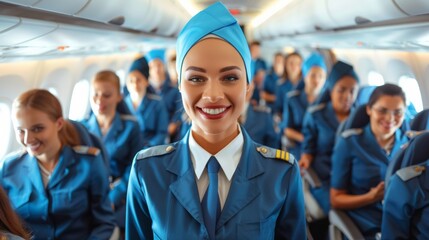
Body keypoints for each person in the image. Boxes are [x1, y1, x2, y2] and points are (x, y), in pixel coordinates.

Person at [126, 2, 306, 239]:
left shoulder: (282, 175)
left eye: (230, 77)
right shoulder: (147, 173)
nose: (212, 95)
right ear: (179, 85)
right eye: (196, 79)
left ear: (248, 86)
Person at [0, 89, 115, 239]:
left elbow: (104, 223)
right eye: (21, 131)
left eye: (37, 129)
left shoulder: (89, 163)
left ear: (59, 123)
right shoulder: (9, 168)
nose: (28, 139)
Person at [330, 84, 409, 239]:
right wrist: (370, 197)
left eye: (398, 112)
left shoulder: (409, 145)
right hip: (367, 224)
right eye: (382, 110)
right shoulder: (349, 143)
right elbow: (336, 199)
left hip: (404, 223)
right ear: (369, 109)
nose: (390, 119)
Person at [299, 61, 359, 239]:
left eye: (352, 90)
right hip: (325, 178)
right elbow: (308, 149)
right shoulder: (315, 114)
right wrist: (305, 160)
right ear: (331, 89)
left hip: (354, 179)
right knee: (344, 211)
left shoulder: (360, 118)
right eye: (342, 90)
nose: (347, 96)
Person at [81, 70, 142, 229]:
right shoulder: (81, 128)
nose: (99, 100)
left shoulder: (131, 127)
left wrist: (115, 197)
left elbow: (134, 168)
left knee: (111, 226)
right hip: (88, 194)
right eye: (95, 94)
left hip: (120, 192)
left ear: (119, 97)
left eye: (106, 95)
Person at [280, 53, 326, 159]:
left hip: (322, 150)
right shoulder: (292, 99)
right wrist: (306, 140)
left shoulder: (326, 102)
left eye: (321, 76)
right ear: (305, 76)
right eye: (313, 75)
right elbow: (287, 129)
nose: (317, 80)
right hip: (299, 145)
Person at [124, 56, 169, 147]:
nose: (135, 84)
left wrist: (147, 147)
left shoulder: (157, 103)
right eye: (131, 80)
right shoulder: (122, 104)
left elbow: (162, 133)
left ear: (146, 82)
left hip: (151, 149)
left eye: (138, 80)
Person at [146, 49, 184, 143]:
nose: (156, 69)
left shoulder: (174, 89)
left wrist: (173, 125)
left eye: (159, 65)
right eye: (152, 66)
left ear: (164, 66)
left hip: (173, 135)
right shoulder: (146, 92)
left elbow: (179, 111)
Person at [240, 82, 279, 148]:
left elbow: (273, 148)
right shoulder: (223, 115)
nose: (245, 89)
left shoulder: (263, 116)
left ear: (252, 87)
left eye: (248, 84)